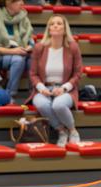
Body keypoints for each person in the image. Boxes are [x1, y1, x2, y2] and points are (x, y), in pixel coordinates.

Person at [27, 14, 82, 147]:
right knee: (42, 104)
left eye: (59, 23)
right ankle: (61, 131)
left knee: (58, 105)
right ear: (49, 29)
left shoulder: (73, 47)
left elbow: (78, 73)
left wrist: (64, 88)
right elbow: (33, 74)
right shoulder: (40, 48)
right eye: (52, 24)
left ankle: (73, 130)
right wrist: (41, 88)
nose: (55, 26)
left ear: (64, 29)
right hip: (44, 89)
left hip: (66, 89)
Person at [0, 0, 33, 99]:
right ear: (9, 3)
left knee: (32, 59)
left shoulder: (24, 18)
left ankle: (33, 94)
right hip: (0, 56)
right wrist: (13, 51)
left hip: (21, 52)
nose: (22, 3)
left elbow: (31, 40)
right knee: (18, 59)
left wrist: (28, 48)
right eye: (19, 1)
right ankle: (10, 94)